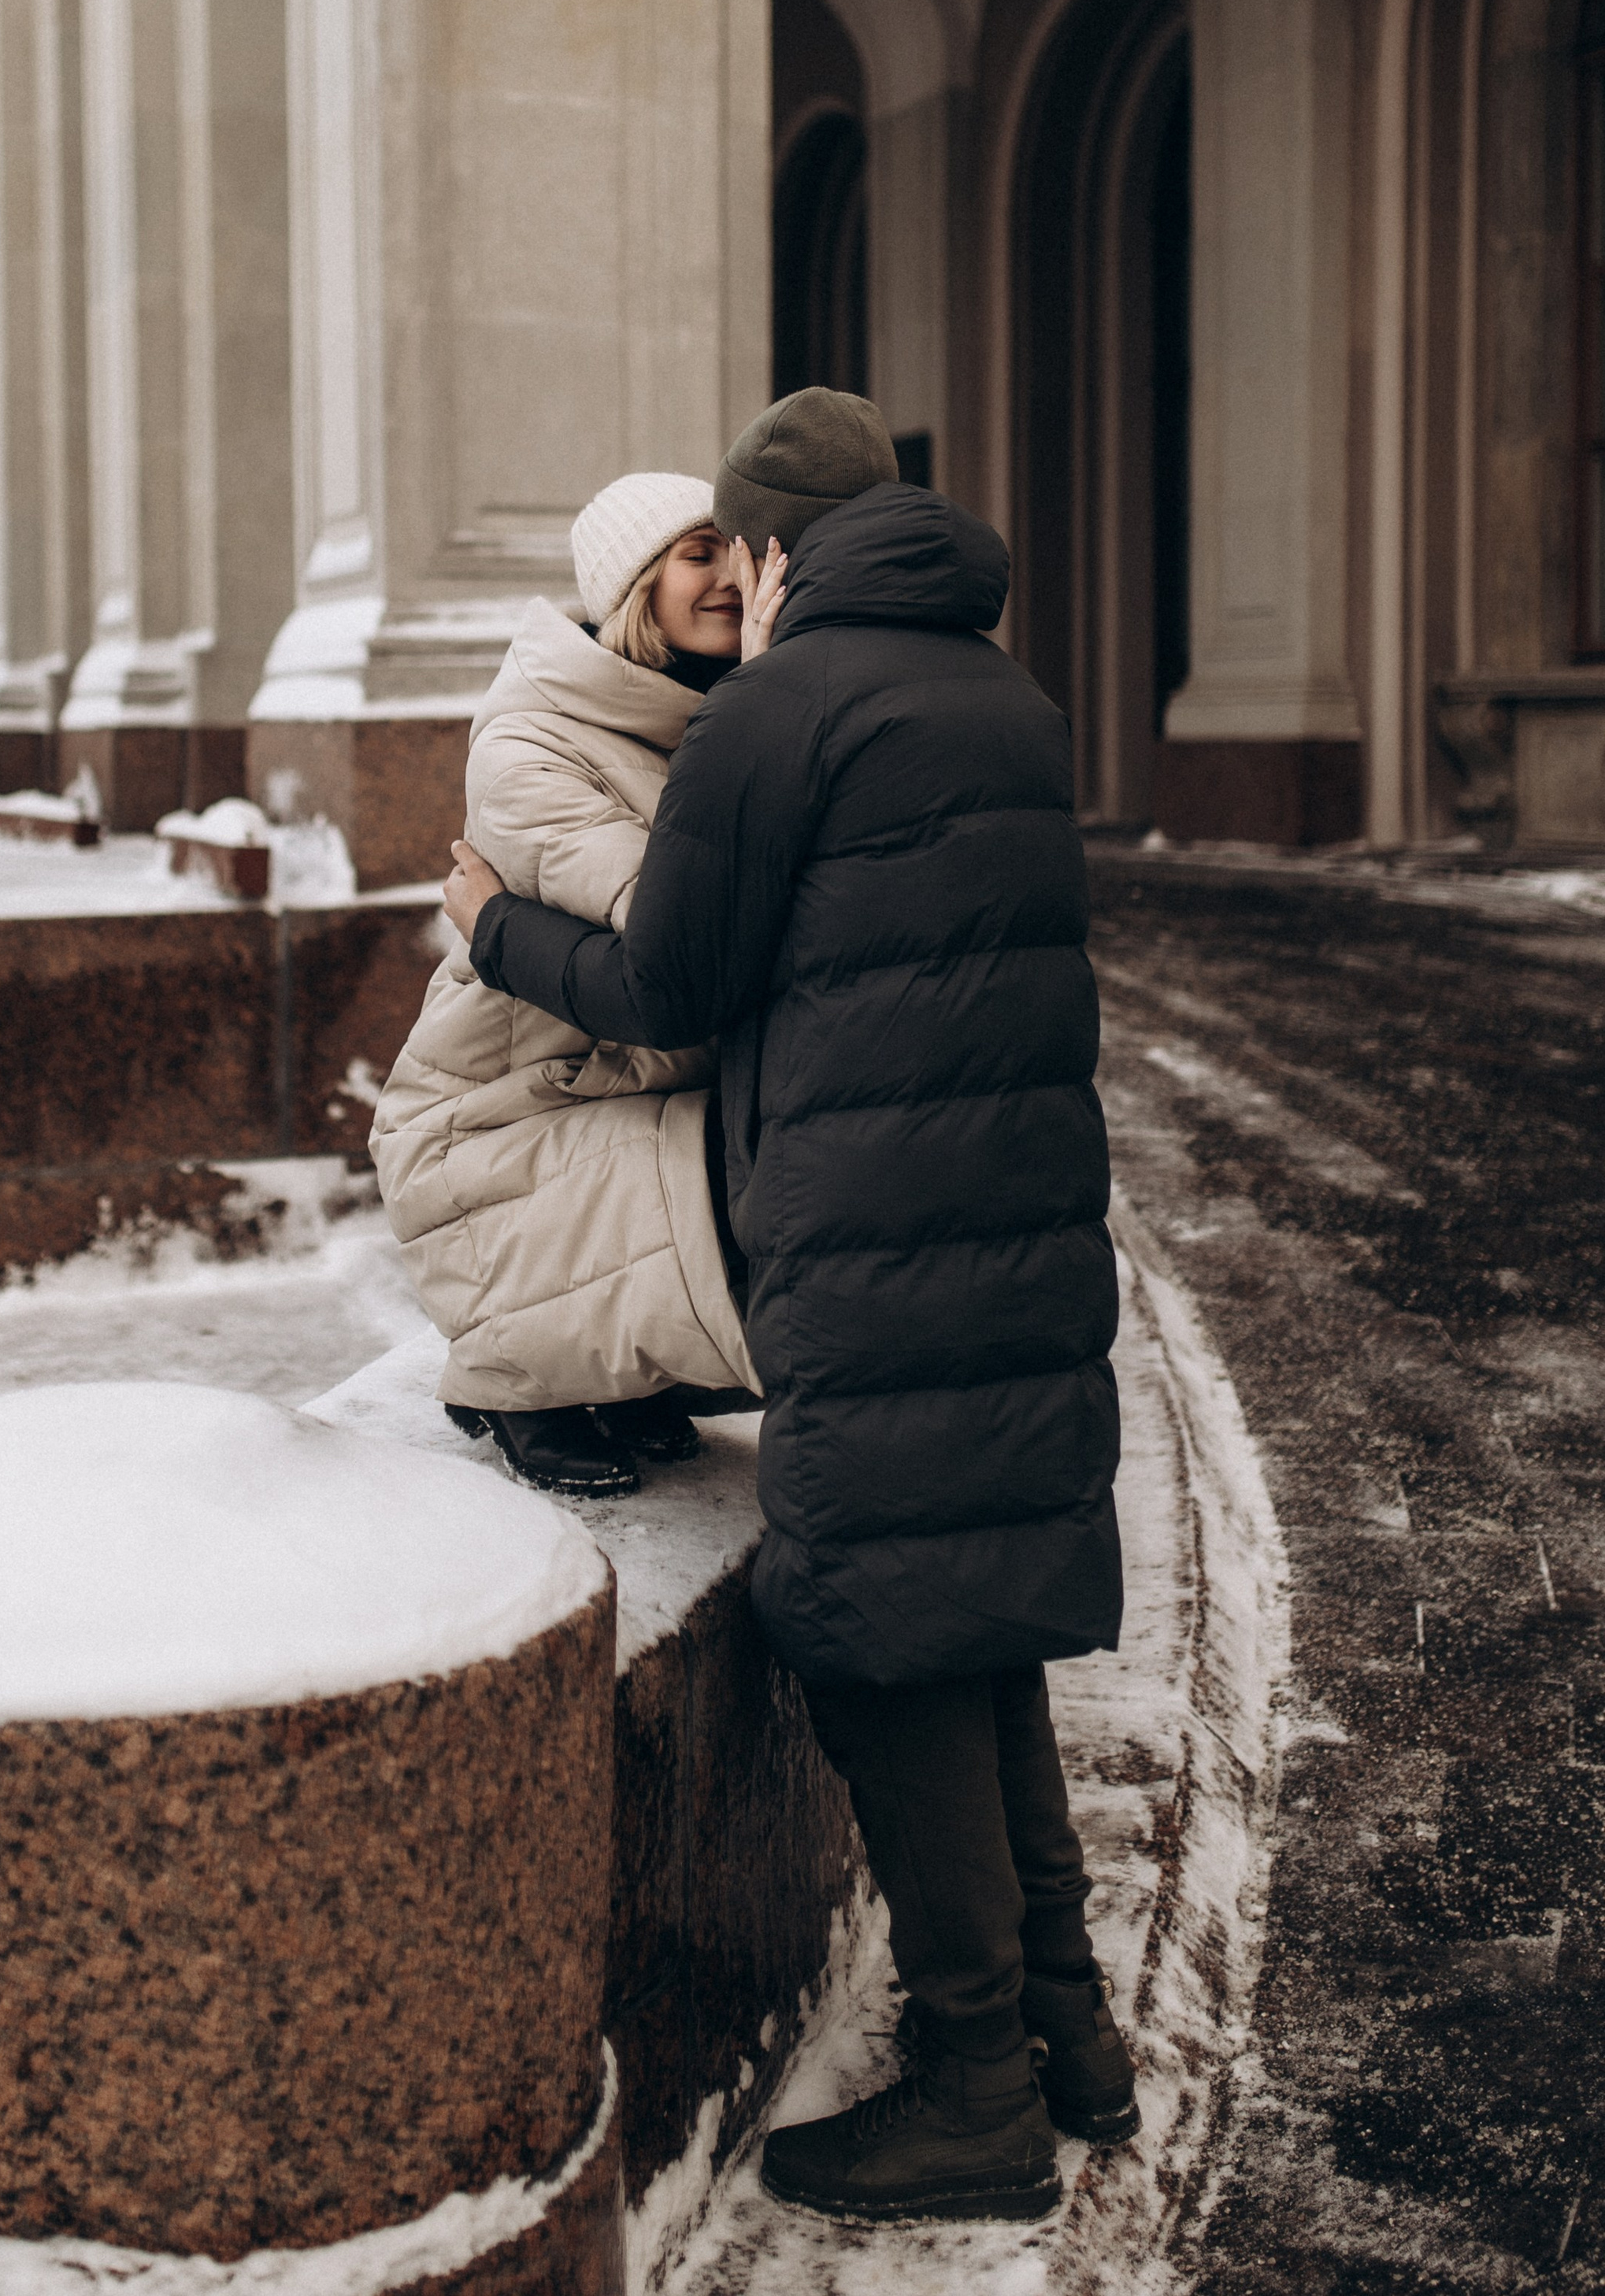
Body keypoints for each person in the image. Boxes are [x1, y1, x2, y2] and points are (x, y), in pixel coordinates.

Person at [440, 385, 1137, 2229]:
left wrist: (492, 923)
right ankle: (1067, 2037)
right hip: (1012, 1227)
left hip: (869, 1237)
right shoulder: (1003, 694)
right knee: (970, 1619)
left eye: (730, 548)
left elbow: (673, 973)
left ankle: (978, 2093)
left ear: (765, 548)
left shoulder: (778, 708)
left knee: (881, 1628)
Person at [370, 470, 773, 1500]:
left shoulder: (702, 719)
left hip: (613, 1088)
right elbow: (684, 946)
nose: (730, 574)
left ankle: (613, 1356)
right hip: (493, 1127)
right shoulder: (533, 741)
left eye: (736, 549)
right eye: (696, 553)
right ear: (636, 583)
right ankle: (519, 1378)